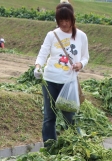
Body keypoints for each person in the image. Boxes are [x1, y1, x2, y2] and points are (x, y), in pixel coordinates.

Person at [33, 3, 89, 146]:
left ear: (72, 19)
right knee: (49, 116)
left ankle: (76, 146)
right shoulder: (52, 35)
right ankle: (50, 147)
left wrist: (80, 64)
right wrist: (38, 66)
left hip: (68, 82)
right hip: (50, 80)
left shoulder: (81, 36)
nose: (64, 24)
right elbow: (43, 53)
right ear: (57, 21)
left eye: (67, 20)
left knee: (69, 116)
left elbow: (85, 57)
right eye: (61, 21)